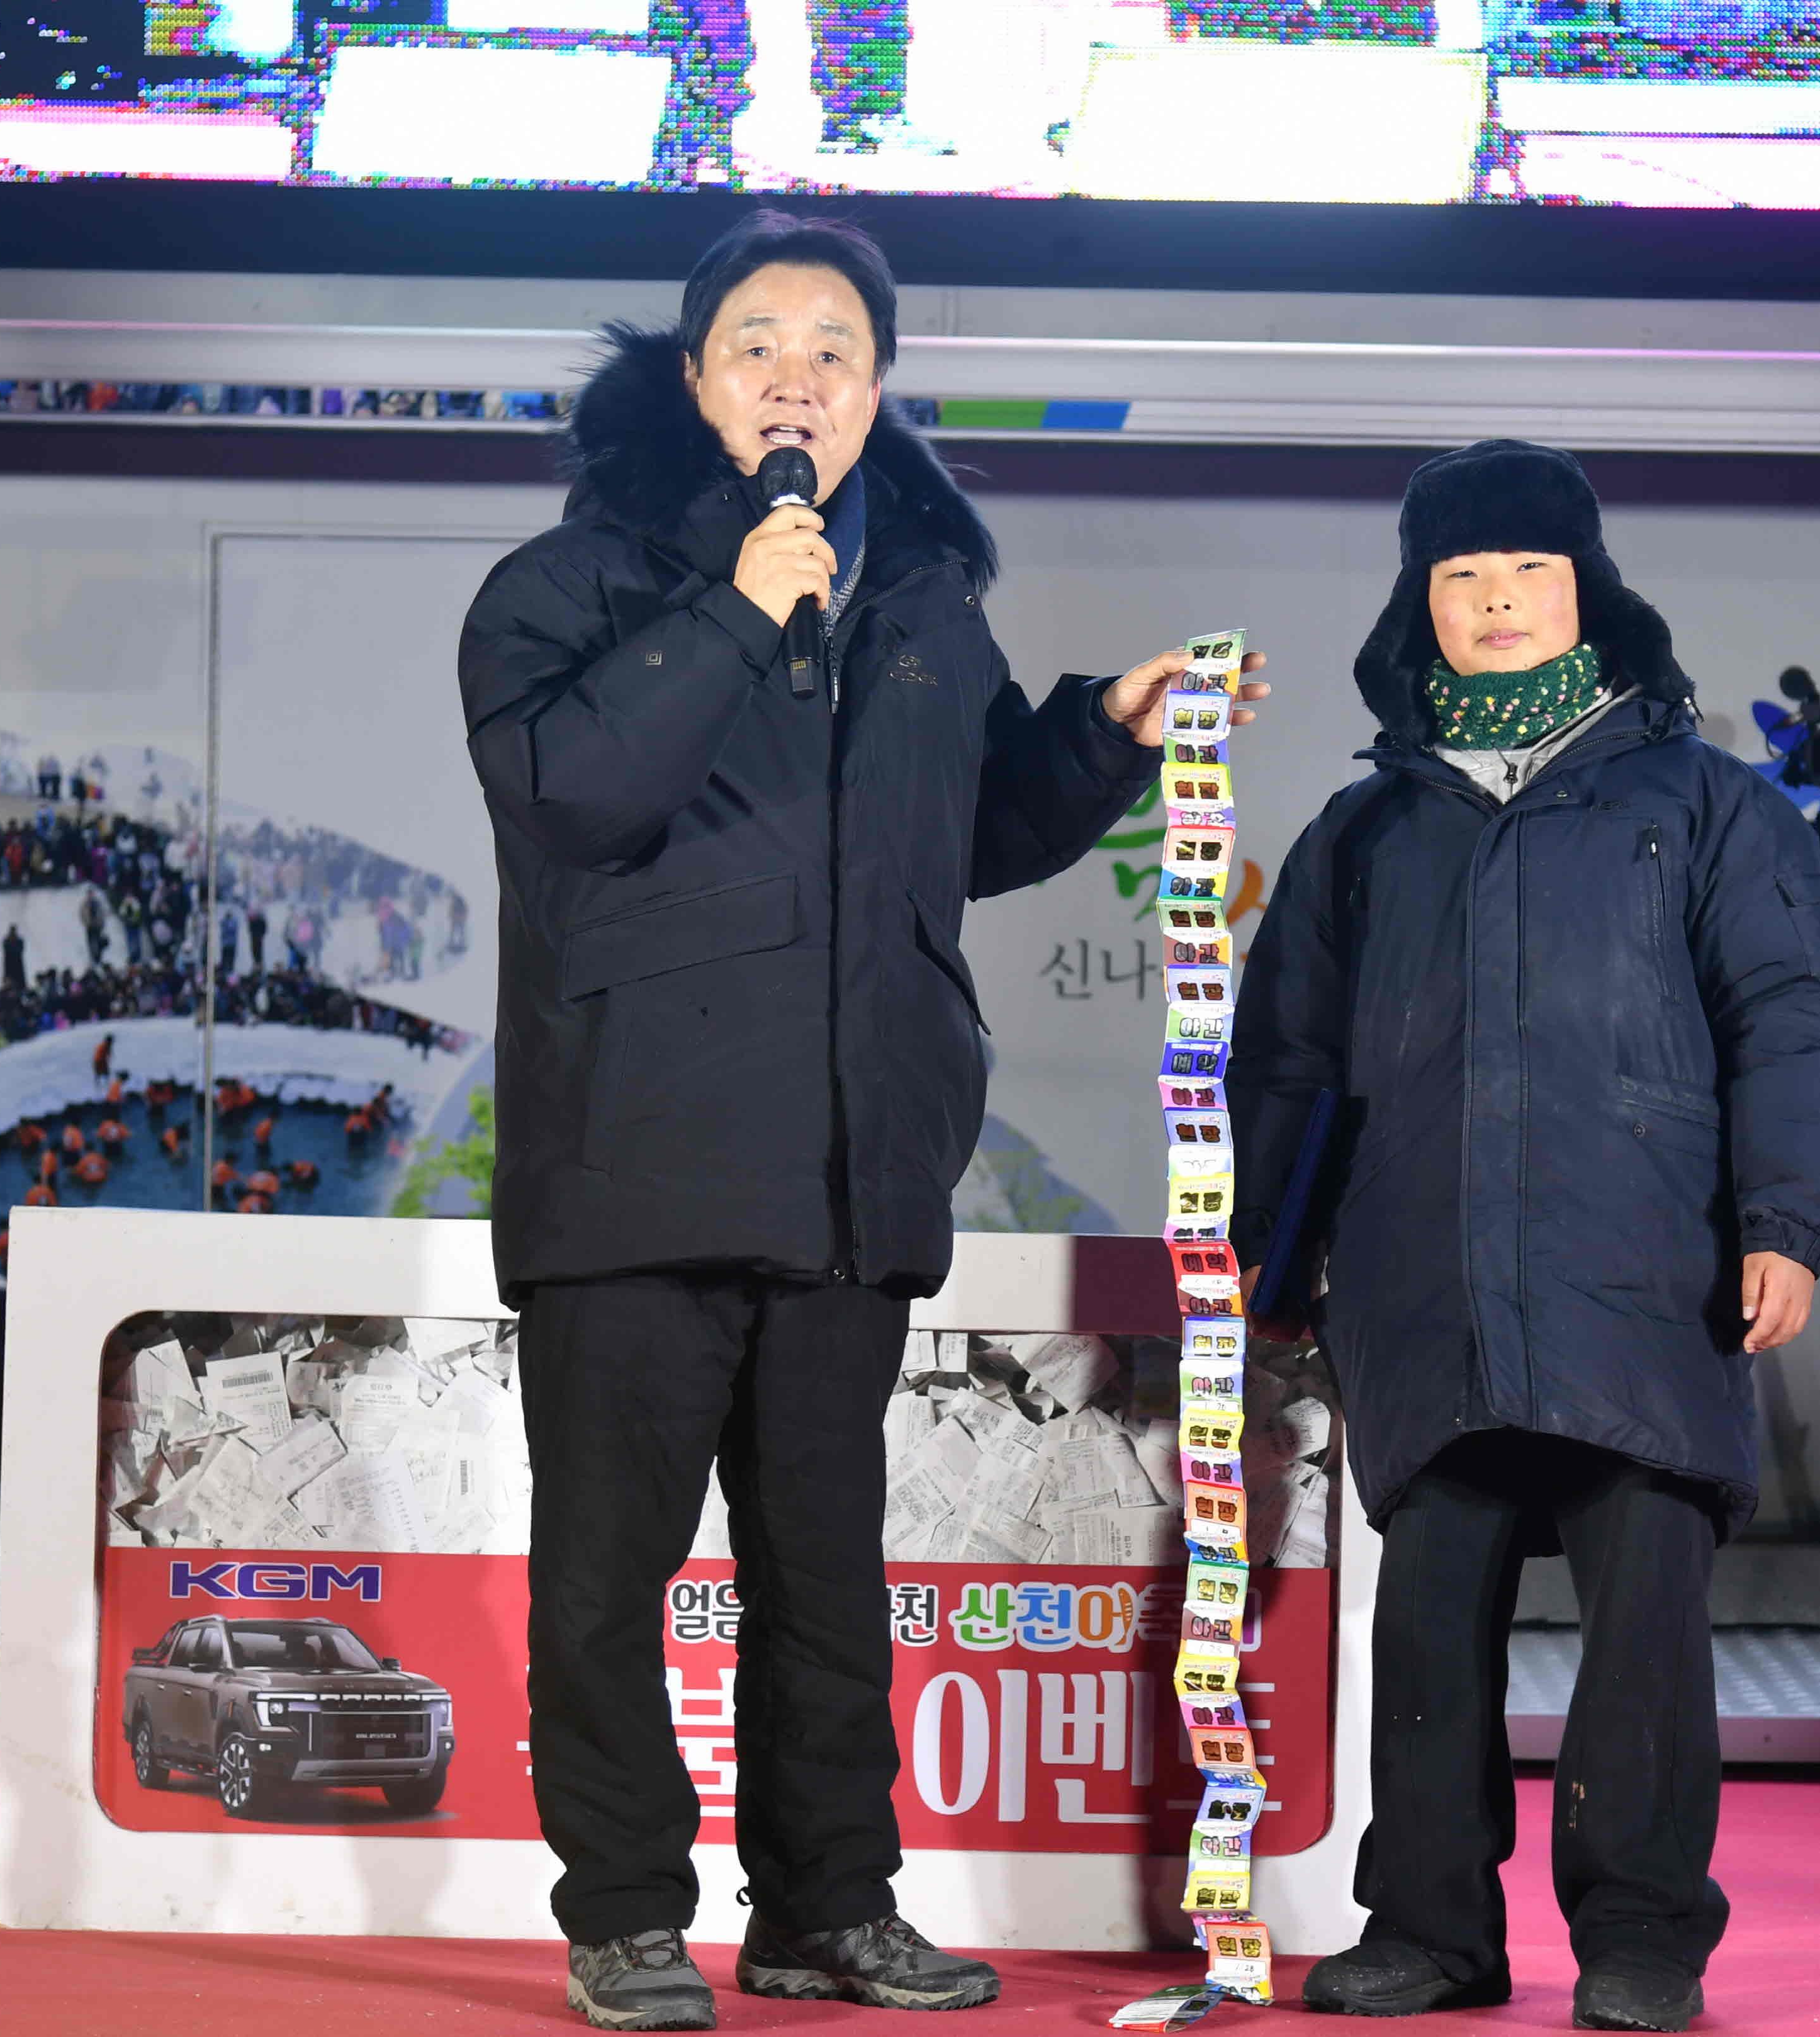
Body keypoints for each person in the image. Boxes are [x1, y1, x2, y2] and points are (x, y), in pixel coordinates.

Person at [457, 207, 1261, 2033]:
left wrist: (1107, 732)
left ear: (878, 386)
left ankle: (828, 1905)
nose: (797, 372)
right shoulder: (561, 592)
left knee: (824, 1578)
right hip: (634, 1174)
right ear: (691, 377)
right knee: (606, 1577)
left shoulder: (915, 603)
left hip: (846, 1173)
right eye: (759, 343)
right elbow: (575, 798)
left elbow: (965, 832)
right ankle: (625, 1916)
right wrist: (737, 611)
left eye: (833, 345)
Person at [1229, 441, 1820, 2033]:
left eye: (1525, 572)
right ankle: (1426, 1925)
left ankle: (1644, 1934)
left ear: (1588, 593)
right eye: (1460, 576)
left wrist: (1785, 1216)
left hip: (1645, 1273)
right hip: (1419, 1277)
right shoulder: (1361, 834)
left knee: (1645, 1625)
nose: (1495, 600)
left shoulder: (1710, 805)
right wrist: (1274, 1249)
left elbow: (1790, 1016)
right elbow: (1289, 1059)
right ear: (1417, 606)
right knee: (1428, 1614)